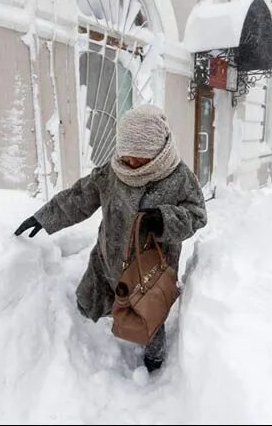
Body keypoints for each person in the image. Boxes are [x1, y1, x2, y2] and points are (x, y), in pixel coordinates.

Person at [14, 104, 207, 373]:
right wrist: (44, 217)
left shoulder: (179, 177)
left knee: (149, 312)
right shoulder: (113, 171)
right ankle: (81, 334)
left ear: (157, 151)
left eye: (138, 158)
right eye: (126, 156)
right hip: (109, 258)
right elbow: (81, 196)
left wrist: (165, 219)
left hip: (151, 268)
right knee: (89, 300)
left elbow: (196, 214)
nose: (130, 163)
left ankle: (154, 357)